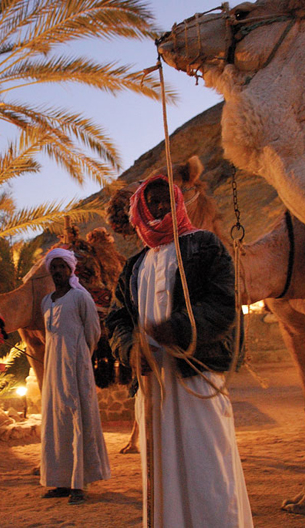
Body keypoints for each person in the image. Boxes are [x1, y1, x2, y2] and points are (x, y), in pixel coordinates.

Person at [105, 175, 253, 527]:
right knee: (160, 472)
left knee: (209, 469)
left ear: (178, 204)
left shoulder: (205, 246)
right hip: (153, 387)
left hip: (196, 379)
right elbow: (117, 320)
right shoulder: (134, 266)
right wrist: (129, 350)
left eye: (165, 201)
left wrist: (180, 328)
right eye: (152, 202)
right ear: (139, 208)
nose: (159, 207)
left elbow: (224, 304)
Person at [39, 248, 111, 505]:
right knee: (56, 422)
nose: (58, 271)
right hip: (53, 369)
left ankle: (80, 484)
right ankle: (61, 481)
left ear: (71, 269)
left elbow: (93, 331)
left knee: (78, 419)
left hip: (77, 366)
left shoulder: (81, 297)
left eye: (62, 267)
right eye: (54, 267)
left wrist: (79, 356)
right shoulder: (47, 301)